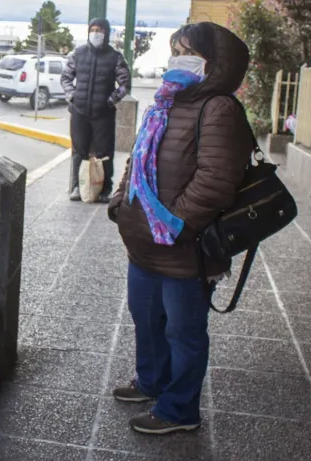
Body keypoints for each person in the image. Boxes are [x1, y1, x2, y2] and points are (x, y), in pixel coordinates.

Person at [107, 21, 253, 435]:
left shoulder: (218, 108)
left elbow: (217, 180)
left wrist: (175, 226)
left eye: (187, 51)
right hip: (145, 243)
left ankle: (179, 409)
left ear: (214, 64)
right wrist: (122, 203)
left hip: (183, 248)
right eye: (175, 51)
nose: (177, 60)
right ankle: (152, 382)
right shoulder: (166, 103)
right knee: (146, 316)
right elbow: (138, 161)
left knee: (183, 331)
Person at [60, 18, 131, 202]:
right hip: (79, 111)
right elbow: (66, 78)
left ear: (106, 32)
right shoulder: (78, 53)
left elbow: (125, 84)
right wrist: (72, 96)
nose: (96, 33)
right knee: (78, 152)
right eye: (93, 29)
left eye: (99, 29)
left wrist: (110, 101)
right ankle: (76, 187)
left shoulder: (115, 57)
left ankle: (105, 190)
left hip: (103, 114)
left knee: (105, 153)